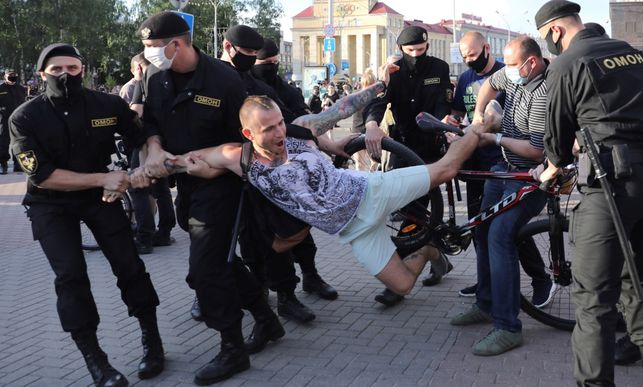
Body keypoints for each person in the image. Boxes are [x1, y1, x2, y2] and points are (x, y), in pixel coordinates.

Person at [160, 71, 499, 298]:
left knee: (447, 168)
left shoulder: (299, 130)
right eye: (269, 129)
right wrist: (150, 170)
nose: (279, 133)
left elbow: (341, 108)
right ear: (249, 133)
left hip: (369, 192)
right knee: (403, 285)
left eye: (280, 123)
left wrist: (379, 85)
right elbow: (186, 158)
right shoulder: (239, 156)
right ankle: (425, 249)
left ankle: (482, 126)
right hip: (352, 231)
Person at [136, 12, 284, 385]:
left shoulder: (224, 80)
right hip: (185, 183)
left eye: (153, 47)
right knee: (220, 260)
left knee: (205, 270)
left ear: (177, 44)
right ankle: (266, 320)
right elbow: (151, 121)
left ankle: (232, 349)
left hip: (222, 183)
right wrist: (153, 147)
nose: (148, 53)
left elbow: (247, 141)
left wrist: (214, 165)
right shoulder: (155, 76)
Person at [534, 2, 643, 386]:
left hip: (612, 184)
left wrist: (552, 167)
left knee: (594, 296)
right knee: (635, 267)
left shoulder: (567, 63)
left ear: (555, 32)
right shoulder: (630, 53)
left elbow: (557, 137)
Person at [9, 43, 164, 387]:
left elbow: (143, 132)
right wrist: (105, 178)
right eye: (56, 70)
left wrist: (150, 158)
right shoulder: (24, 117)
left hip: (101, 199)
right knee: (71, 277)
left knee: (130, 266)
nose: (66, 75)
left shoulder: (107, 104)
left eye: (73, 68)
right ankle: (97, 362)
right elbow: (42, 175)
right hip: (50, 203)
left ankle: (152, 341)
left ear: (83, 70)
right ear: (41, 74)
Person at [219, 25, 336, 325]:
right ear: (228, 47)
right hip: (229, 172)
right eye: (248, 55)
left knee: (282, 233)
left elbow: (288, 121)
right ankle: (254, 294)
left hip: (268, 172)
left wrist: (319, 140)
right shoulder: (213, 79)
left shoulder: (261, 87)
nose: (262, 64)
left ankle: (288, 295)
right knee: (245, 240)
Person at [449, 36, 552, 356]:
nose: (508, 72)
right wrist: (478, 115)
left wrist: (493, 136)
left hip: (531, 176)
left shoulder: (544, 93)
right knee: (480, 228)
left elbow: (535, 151)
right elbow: (490, 85)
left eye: (512, 66)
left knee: (499, 235)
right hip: (503, 169)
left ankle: (508, 326)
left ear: (531, 63)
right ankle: (486, 302)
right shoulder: (513, 72)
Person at [367, 25, 456, 306]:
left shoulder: (439, 67)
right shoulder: (391, 71)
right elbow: (377, 103)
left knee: (416, 213)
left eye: (421, 49)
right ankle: (435, 255)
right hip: (403, 148)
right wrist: (371, 124)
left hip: (432, 147)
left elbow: (444, 102)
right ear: (401, 49)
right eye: (410, 51)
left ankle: (399, 283)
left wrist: (447, 122)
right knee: (407, 209)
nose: (416, 55)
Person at [450, 31, 507, 298]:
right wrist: (451, 122)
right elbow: (457, 113)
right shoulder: (465, 78)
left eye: (472, 55)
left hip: (502, 161)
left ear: (486, 47)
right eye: (464, 57)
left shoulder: (507, 74)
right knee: (477, 226)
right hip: (474, 163)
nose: (468, 60)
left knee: (505, 227)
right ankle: (484, 282)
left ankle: (541, 279)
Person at [120, 52, 177, 254]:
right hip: (164, 143)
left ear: (139, 68)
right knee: (161, 189)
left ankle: (144, 237)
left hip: (144, 144)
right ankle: (165, 231)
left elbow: (136, 113)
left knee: (139, 188)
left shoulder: (143, 83)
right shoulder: (167, 81)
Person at [0, 70, 26, 174]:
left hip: (18, 120)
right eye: (10, 76)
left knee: (19, 142)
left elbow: (23, 102)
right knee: (3, 142)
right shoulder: (1, 88)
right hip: (5, 118)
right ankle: (3, 164)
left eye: (14, 76)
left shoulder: (20, 88)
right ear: (5, 76)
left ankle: (18, 164)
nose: (12, 77)